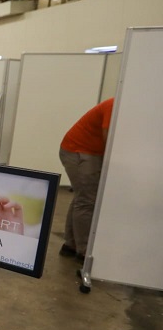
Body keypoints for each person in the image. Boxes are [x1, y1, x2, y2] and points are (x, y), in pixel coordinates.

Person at [59, 97, 114, 260]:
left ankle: (71, 244)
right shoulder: (115, 104)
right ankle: (84, 251)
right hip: (80, 151)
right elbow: (108, 135)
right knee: (87, 201)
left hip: (83, 150)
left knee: (82, 198)